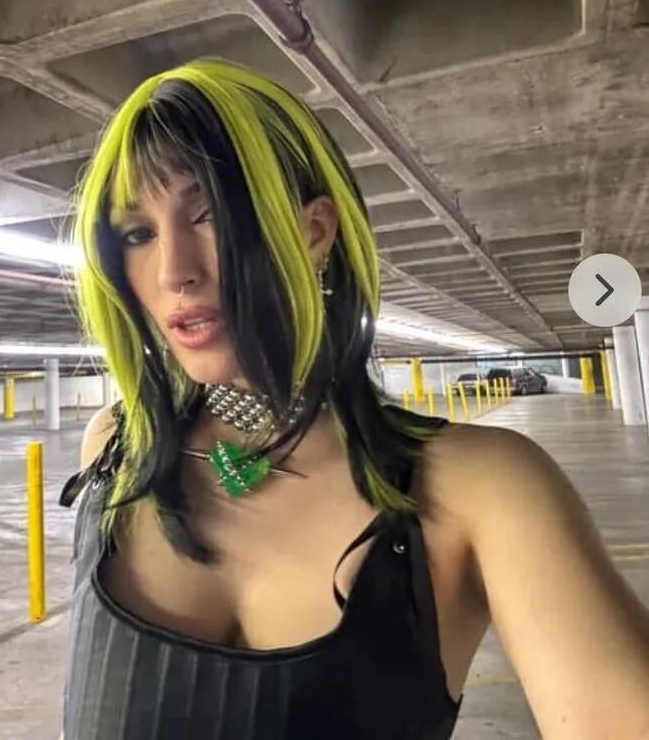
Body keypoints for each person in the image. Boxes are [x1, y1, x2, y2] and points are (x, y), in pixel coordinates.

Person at [57, 58, 649, 739]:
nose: (173, 272)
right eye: (137, 234)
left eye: (210, 215)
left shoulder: (483, 490)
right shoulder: (116, 451)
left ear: (314, 232)